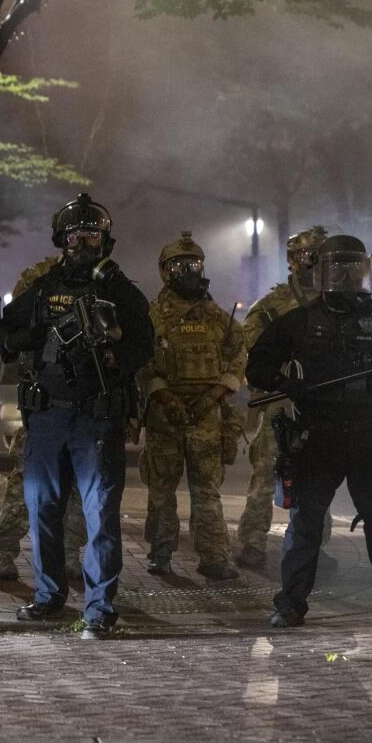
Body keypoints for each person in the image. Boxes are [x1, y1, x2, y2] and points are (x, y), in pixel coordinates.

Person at [247, 234, 372, 630]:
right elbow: (257, 366)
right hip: (318, 437)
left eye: (355, 269)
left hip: (370, 437)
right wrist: (287, 382)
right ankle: (290, 604)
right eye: (338, 269)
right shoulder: (299, 321)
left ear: (367, 270)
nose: (348, 278)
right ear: (321, 272)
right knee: (305, 525)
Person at [0, 193, 153, 639]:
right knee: (42, 509)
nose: (82, 242)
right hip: (47, 418)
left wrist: (109, 357)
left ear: (105, 240)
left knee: (100, 515)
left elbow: (144, 346)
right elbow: (6, 334)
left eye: (91, 233)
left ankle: (100, 609)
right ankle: (49, 598)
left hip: (96, 420)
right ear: (61, 241)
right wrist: (39, 328)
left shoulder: (121, 292)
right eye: (74, 234)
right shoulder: (44, 287)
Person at [139, 232, 245, 580]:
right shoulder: (152, 317)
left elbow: (237, 360)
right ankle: (161, 553)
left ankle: (215, 557)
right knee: (161, 492)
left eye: (194, 265)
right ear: (165, 271)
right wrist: (167, 398)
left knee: (207, 492)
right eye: (179, 265)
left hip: (206, 418)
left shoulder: (217, 318)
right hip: (164, 417)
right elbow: (141, 365)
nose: (188, 271)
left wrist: (213, 397)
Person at [236, 226, 333, 569]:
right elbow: (248, 346)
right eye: (309, 256)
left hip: (321, 403)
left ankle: (313, 547)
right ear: (292, 261)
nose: (314, 264)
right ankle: (251, 542)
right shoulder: (273, 305)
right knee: (265, 471)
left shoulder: (334, 300)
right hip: (279, 400)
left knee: (319, 475)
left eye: (321, 257)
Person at [0, 256, 86, 584]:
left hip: (80, 402)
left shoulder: (98, 279)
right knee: (24, 486)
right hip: (42, 400)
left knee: (75, 488)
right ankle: (3, 548)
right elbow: (13, 332)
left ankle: (69, 553)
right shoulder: (38, 279)